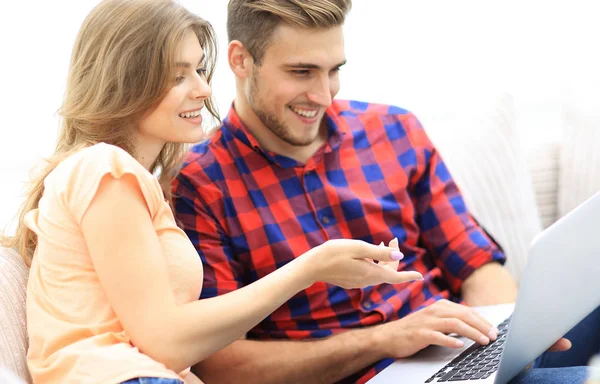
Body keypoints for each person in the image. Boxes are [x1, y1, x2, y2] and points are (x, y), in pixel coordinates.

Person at [172, 0, 598, 383]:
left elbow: (475, 265)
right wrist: (383, 340)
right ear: (240, 60)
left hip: (464, 356)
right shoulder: (198, 185)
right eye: (301, 72)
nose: (323, 95)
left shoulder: (394, 132)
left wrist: (509, 339)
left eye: (334, 70)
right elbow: (221, 365)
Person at [0, 1, 426, 383]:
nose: (203, 90)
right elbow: (166, 341)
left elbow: (161, 342)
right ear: (126, 83)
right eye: (177, 76)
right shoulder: (105, 169)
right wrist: (310, 268)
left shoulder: (136, 183)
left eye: (200, 70)